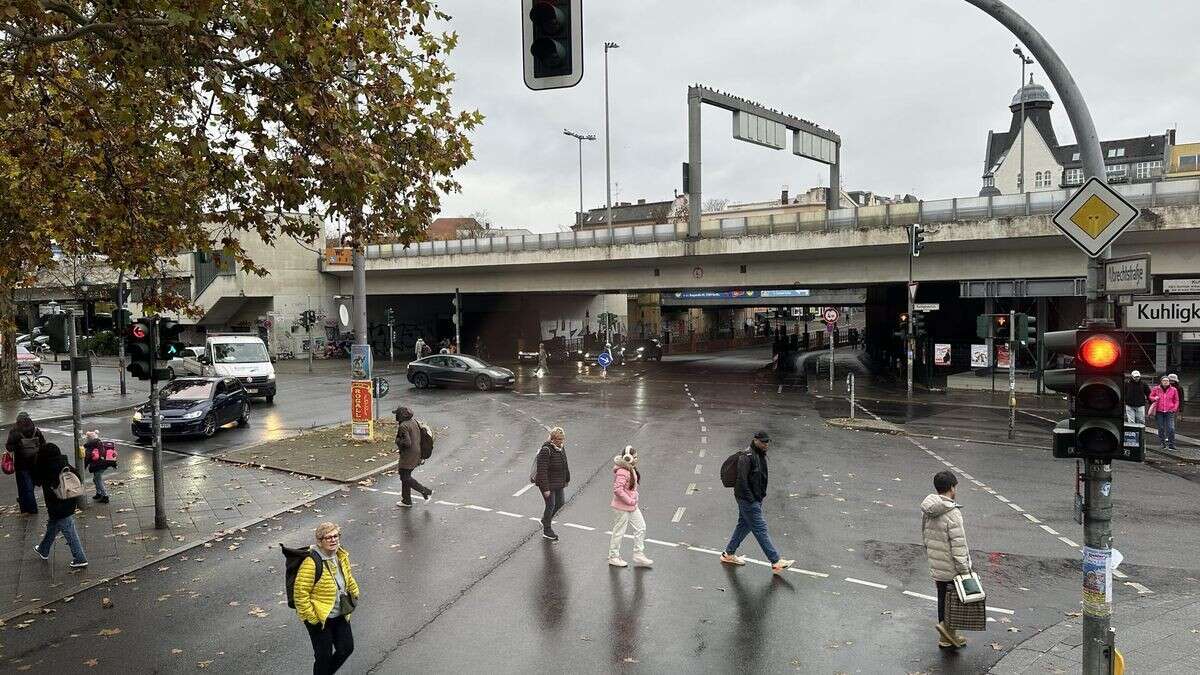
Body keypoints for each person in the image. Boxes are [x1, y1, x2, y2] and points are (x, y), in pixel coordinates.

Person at [720, 431, 794, 573]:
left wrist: (759, 497)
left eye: (767, 442)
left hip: (754, 498)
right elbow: (742, 481)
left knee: (744, 526)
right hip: (748, 499)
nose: (766, 444)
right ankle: (776, 561)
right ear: (755, 440)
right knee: (760, 529)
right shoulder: (746, 457)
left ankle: (728, 554)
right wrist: (752, 499)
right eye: (763, 442)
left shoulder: (759, 455)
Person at [293, 522, 359, 675]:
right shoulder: (311, 563)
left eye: (335, 536)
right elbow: (300, 594)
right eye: (328, 537)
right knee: (323, 656)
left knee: (346, 648)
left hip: (340, 613)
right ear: (320, 541)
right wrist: (312, 618)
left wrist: (355, 592)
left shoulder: (341, 555)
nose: (333, 540)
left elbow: (348, 577)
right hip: (320, 618)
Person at [921, 470, 970, 649]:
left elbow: (925, 535)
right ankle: (948, 632)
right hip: (951, 565)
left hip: (936, 561)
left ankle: (945, 637)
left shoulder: (929, 509)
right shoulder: (952, 512)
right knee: (955, 601)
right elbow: (958, 544)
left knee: (943, 597)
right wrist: (965, 568)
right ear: (951, 488)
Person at [32, 443, 87, 567]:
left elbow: (36, 481)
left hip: (57, 506)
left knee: (69, 531)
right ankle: (43, 549)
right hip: (69, 500)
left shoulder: (45, 468)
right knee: (53, 526)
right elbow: (77, 476)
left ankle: (80, 558)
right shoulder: (64, 463)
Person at [608, 445, 652, 568]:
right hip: (621, 507)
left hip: (631, 505)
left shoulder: (630, 468)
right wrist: (630, 500)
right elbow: (617, 490)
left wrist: (634, 496)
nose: (637, 459)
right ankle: (613, 557)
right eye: (635, 457)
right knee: (619, 532)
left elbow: (631, 488)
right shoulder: (623, 471)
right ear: (628, 458)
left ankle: (638, 553)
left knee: (641, 527)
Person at [534, 427, 570, 542]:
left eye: (562, 439)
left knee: (560, 503)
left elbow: (565, 464)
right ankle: (547, 530)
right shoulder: (546, 450)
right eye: (559, 439)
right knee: (551, 505)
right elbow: (542, 470)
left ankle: (545, 520)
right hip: (547, 484)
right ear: (552, 439)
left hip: (558, 482)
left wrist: (567, 479)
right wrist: (545, 488)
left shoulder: (561, 448)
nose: (561, 441)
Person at [6, 412, 45, 514]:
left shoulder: (15, 432)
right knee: (30, 485)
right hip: (35, 462)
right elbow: (43, 444)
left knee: (24, 486)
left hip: (21, 464)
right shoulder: (36, 430)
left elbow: (9, 447)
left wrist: (18, 446)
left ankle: (30, 508)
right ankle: (25, 504)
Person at [393, 407, 431, 507]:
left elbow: (407, 442)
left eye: (396, 414)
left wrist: (397, 441)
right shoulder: (413, 421)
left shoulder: (403, 426)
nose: (395, 416)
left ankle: (425, 491)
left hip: (408, 455)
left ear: (400, 415)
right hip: (416, 452)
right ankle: (406, 500)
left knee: (405, 476)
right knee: (405, 476)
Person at [1150, 375, 1180, 451]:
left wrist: (1174, 409)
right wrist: (1154, 398)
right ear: (1161, 381)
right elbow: (1150, 396)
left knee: (1171, 428)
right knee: (1161, 428)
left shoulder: (1174, 389)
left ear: (1169, 382)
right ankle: (1162, 443)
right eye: (1164, 380)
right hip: (1159, 411)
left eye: (1167, 381)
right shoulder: (1156, 388)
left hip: (1169, 411)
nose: (1165, 382)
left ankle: (1171, 444)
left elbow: (1176, 400)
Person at [82, 430, 111, 503]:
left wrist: (83, 468)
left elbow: (87, 459)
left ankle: (105, 496)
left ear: (89, 439)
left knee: (98, 479)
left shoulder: (90, 446)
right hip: (103, 464)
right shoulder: (99, 443)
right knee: (96, 479)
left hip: (98, 465)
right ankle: (99, 493)